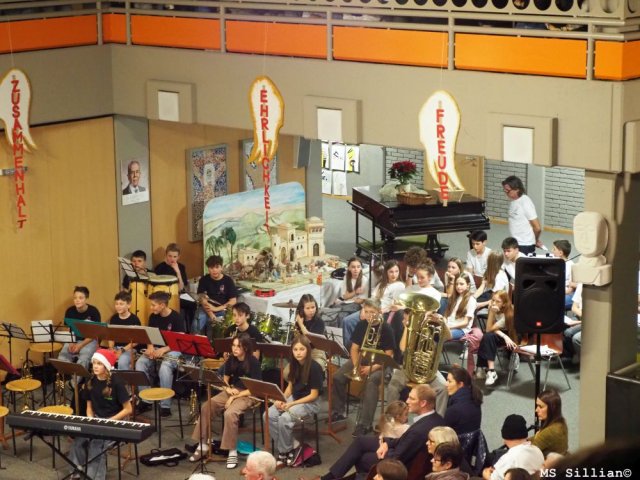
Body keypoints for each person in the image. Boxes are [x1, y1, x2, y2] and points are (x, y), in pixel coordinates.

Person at [317, 385, 446, 480]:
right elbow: (404, 441)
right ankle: (330, 477)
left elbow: (398, 457)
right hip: (398, 449)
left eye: (411, 398)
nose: (407, 401)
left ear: (423, 403)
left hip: (399, 464)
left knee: (362, 458)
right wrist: (387, 443)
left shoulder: (418, 431)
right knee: (360, 441)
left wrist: (385, 449)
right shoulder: (437, 418)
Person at [189, 333, 262, 469]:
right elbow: (225, 379)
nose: (235, 349)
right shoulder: (231, 359)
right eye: (233, 345)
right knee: (207, 406)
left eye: (238, 346)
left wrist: (234, 397)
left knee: (230, 413)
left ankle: (232, 450)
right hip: (232, 390)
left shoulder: (253, 362)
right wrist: (228, 389)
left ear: (245, 348)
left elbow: (256, 388)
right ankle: (203, 444)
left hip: (249, 394)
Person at [331, 299, 395, 437]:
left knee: (371, 382)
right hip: (363, 358)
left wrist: (372, 368)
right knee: (337, 377)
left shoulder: (386, 328)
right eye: (366, 311)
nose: (369, 315)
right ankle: (339, 411)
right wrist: (356, 366)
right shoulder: (361, 324)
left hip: (381, 362)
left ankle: (365, 424)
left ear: (379, 312)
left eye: (372, 312)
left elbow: (389, 355)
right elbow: (354, 348)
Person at [68, 349, 132, 480]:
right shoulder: (90, 381)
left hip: (115, 422)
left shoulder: (117, 383)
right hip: (97, 419)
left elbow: (128, 409)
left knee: (96, 445)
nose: (95, 366)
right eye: (94, 363)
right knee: (78, 441)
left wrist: (108, 421)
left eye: (99, 363)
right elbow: (89, 407)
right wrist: (91, 421)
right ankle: (75, 473)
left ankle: (94, 477)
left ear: (106, 366)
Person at [266, 335, 323, 467]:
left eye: (302, 349)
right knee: (269, 415)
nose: (298, 353)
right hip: (295, 398)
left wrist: (291, 404)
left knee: (284, 418)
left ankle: (284, 452)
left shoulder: (315, 367)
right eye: (295, 349)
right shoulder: (294, 365)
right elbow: (290, 387)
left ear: (308, 350)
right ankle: (292, 446)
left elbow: (313, 395)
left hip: (310, 403)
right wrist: (281, 399)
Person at [135, 291, 186, 416]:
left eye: (153, 305)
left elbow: (180, 341)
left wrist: (163, 350)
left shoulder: (177, 318)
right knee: (140, 363)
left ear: (162, 305)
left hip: (173, 349)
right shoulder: (153, 317)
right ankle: (146, 400)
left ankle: (165, 405)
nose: (151, 308)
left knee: (165, 367)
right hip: (157, 348)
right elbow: (150, 336)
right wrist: (150, 347)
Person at [342, 260, 404, 350]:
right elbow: (372, 298)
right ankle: (348, 350)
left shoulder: (399, 285)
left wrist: (380, 311)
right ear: (386, 272)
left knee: (364, 325)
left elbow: (394, 304)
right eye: (391, 272)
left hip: (382, 313)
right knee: (347, 321)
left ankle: (360, 349)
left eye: (396, 271)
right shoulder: (381, 284)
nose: (394, 274)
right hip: (370, 308)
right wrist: (364, 310)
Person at [482, 414, 544, 480]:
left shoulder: (509, 458)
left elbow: (493, 478)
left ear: (505, 438)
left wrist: (485, 473)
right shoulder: (538, 451)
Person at [476, 291, 517, 387]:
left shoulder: (509, 313)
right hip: (500, 334)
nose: (494, 303)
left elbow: (489, 329)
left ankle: (485, 368)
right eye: (493, 300)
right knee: (487, 336)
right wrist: (503, 336)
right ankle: (490, 370)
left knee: (488, 336)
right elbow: (489, 329)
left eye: (498, 301)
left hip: (511, 335)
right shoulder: (493, 308)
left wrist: (491, 312)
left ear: (504, 304)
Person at [59, 286, 102, 375]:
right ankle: (65, 379)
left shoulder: (93, 311)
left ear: (86, 298)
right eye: (75, 298)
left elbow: (94, 333)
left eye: (80, 298)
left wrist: (80, 345)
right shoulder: (70, 311)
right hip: (73, 339)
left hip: (89, 340)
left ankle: (73, 382)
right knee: (62, 357)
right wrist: (71, 342)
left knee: (83, 359)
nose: (77, 300)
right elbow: (68, 329)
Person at [194, 254, 238, 334]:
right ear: (208, 268)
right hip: (206, 309)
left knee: (223, 328)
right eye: (211, 268)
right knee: (196, 325)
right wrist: (211, 314)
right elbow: (202, 299)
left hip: (223, 309)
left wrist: (216, 309)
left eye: (217, 267)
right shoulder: (204, 280)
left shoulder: (228, 280)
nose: (214, 270)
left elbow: (233, 301)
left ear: (221, 267)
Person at [323, 257, 369, 328]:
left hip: (358, 306)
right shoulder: (346, 277)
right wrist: (355, 292)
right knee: (335, 315)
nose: (356, 269)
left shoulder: (364, 280)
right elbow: (345, 296)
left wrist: (350, 297)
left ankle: (340, 333)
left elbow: (361, 301)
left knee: (339, 315)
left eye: (358, 267)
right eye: (353, 267)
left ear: (361, 268)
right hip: (346, 303)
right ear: (349, 268)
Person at [501, 176, 542, 255]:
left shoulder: (525, 202)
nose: (506, 192)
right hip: (515, 243)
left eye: (508, 190)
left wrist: (535, 240)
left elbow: (537, 228)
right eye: (504, 190)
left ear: (517, 189)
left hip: (525, 245)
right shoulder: (513, 201)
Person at [107, 291, 141, 370]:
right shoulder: (114, 318)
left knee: (123, 360)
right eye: (116, 304)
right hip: (116, 348)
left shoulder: (134, 319)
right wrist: (111, 348)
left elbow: (136, 341)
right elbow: (111, 336)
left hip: (129, 349)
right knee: (101, 356)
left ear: (128, 305)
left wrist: (122, 350)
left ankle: (123, 378)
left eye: (121, 304)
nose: (118, 306)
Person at [444, 366, 482, 435]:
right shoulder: (474, 396)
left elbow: (444, 433)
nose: (446, 384)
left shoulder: (454, 410)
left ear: (460, 384)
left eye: (449, 381)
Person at [530, 389, 569, 457]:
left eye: (541, 407)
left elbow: (528, 452)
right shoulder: (560, 423)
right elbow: (537, 438)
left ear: (552, 408)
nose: (536, 410)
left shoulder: (551, 431)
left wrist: (536, 437)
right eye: (537, 406)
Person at [439, 273, 477, 341]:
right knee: (431, 332)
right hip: (448, 326)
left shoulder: (471, 300)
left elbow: (465, 323)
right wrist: (443, 324)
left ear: (468, 285)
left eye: (461, 284)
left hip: (461, 329)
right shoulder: (454, 297)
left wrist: (448, 327)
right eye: (456, 284)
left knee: (440, 336)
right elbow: (446, 316)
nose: (458, 286)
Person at [294, 293, 327, 369]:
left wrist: (301, 324)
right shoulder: (298, 322)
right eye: (308, 308)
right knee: (287, 372)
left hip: (316, 352)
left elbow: (309, 339)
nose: (311, 310)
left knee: (313, 368)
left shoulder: (319, 322)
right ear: (302, 309)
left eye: (313, 307)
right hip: (301, 352)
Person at [551, 239, 576, 309]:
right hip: (556, 291)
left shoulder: (571, 266)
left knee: (549, 301)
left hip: (566, 294)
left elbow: (570, 290)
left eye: (554, 249)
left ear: (560, 253)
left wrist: (555, 293)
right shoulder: (555, 262)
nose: (552, 251)